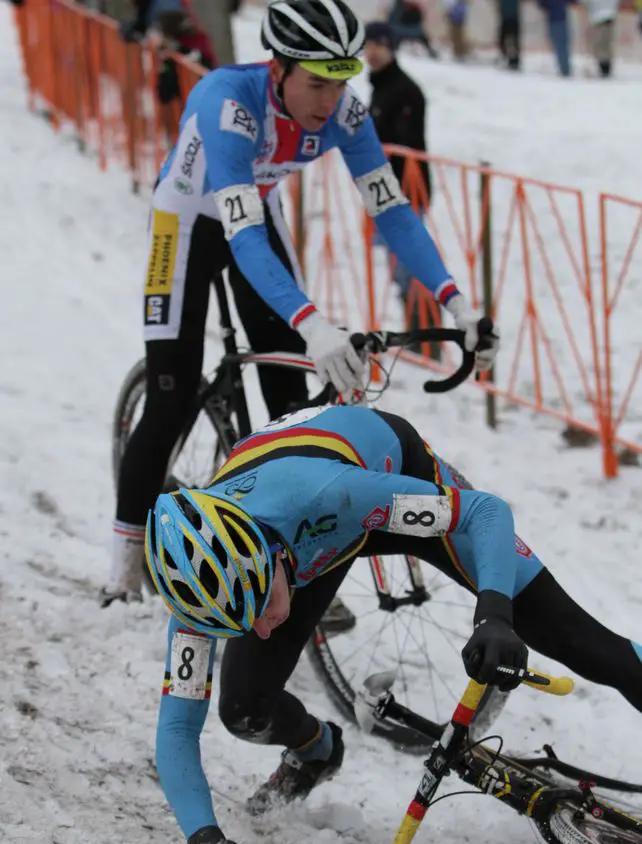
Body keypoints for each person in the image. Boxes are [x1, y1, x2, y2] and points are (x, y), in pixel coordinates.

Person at [100, 0, 499, 608]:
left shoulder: (347, 109)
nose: (329, 100)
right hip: (186, 225)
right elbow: (241, 235)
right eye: (316, 82)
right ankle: (125, 558)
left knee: (292, 402)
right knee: (172, 392)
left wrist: (457, 301)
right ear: (277, 67)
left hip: (258, 216)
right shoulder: (227, 100)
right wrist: (311, 322)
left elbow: (393, 211)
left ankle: (279, 558)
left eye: (342, 82)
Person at [147, 403, 642, 844]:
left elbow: (485, 512)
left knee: (585, 643)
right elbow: (175, 729)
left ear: (271, 554)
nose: (260, 628)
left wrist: (494, 613)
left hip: (371, 483)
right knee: (244, 709)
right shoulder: (198, 590)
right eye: (238, 622)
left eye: (259, 606)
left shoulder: (331, 492)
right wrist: (203, 839)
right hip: (301, 542)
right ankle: (316, 750)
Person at [364, 21, 432, 334]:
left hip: (406, 191)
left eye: (379, 45)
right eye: (368, 45)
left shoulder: (405, 90)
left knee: (410, 266)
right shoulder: (380, 86)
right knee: (398, 267)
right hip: (385, 191)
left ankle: (426, 336)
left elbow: (404, 143)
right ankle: (417, 332)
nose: (372, 52)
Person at [581, 0, 619, 77]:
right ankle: (604, 68)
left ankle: (603, 68)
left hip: (599, 19)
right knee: (604, 46)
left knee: (600, 46)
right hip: (607, 18)